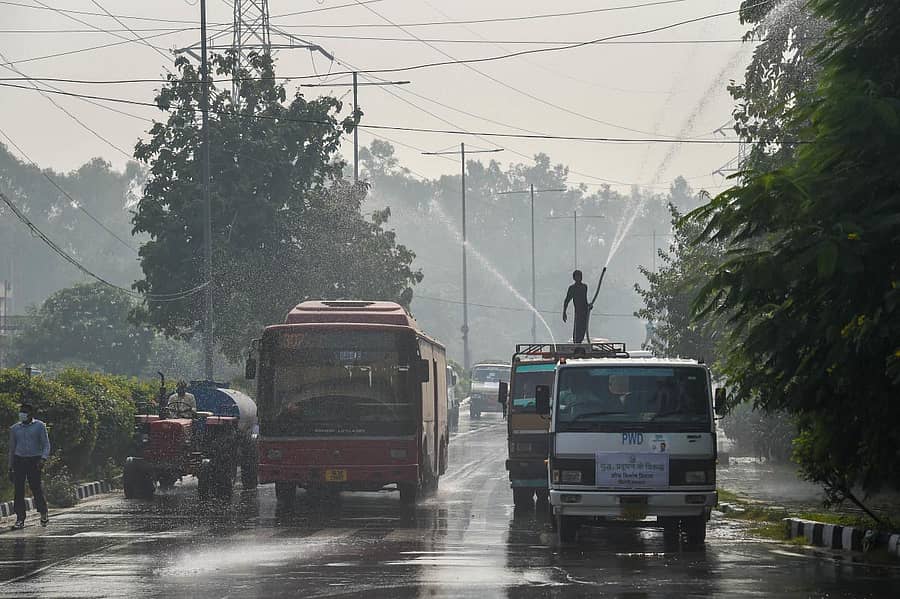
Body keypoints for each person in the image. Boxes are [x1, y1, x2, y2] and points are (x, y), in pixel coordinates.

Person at [8, 402, 50, 529]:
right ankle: (20, 518)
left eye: (25, 412)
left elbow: (46, 444)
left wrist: (43, 459)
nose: (22, 414)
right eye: (21, 412)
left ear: (31, 413)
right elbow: (12, 448)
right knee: (18, 490)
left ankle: (43, 513)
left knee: (36, 488)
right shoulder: (15, 428)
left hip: (34, 461)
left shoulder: (39, 426)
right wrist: (10, 466)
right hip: (19, 460)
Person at [562, 270, 593, 343]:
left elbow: (584, 299)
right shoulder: (572, 288)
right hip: (578, 312)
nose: (579, 278)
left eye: (580, 276)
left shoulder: (584, 287)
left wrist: (589, 306)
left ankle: (579, 342)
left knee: (583, 328)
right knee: (577, 329)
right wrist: (564, 312)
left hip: (585, 311)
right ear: (574, 278)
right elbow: (567, 300)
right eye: (577, 276)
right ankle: (576, 342)